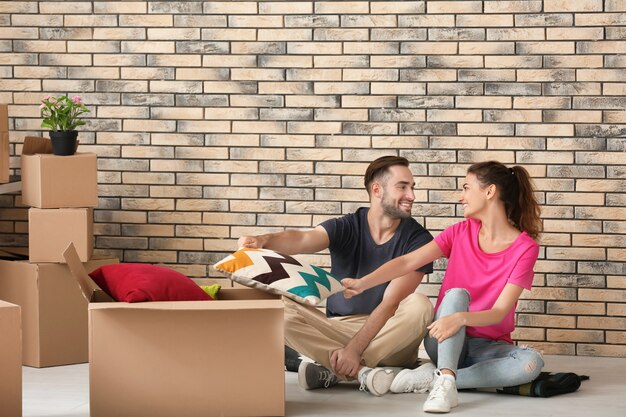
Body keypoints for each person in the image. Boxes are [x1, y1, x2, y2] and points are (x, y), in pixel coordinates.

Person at [343, 161, 545, 413]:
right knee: (457, 294)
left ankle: (438, 378)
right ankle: (447, 378)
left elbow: (500, 311)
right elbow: (407, 261)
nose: (461, 197)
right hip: (443, 338)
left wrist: (460, 318)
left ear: (489, 192)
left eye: (466, 188)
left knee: (530, 363)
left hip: (486, 347)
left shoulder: (525, 248)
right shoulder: (459, 232)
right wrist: (363, 282)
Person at [238, 156, 434, 396]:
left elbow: (391, 303)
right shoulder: (347, 226)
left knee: (420, 305)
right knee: (276, 309)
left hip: (390, 334)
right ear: (377, 190)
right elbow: (302, 239)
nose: (412, 195)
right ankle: (363, 372)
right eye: (402, 186)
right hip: (338, 329)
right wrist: (263, 241)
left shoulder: (419, 240)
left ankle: (335, 368)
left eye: (412, 187)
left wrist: (354, 349)